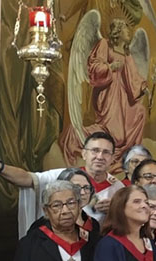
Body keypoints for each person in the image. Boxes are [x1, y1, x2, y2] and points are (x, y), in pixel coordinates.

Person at [58, 18, 148, 167]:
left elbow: (133, 75)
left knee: (140, 112)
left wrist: (143, 87)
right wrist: (110, 67)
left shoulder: (126, 51)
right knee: (115, 133)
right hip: (108, 92)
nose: (129, 33)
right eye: (126, 30)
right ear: (118, 31)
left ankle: (134, 156)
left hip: (124, 95)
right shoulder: (104, 44)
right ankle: (75, 134)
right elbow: (94, 66)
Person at [0, 131, 124, 235]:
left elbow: (127, 224)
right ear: (84, 154)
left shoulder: (118, 188)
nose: (100, 156)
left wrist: (116, 210)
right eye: (95, 150)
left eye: (106, 152)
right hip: (58, 244)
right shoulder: (63, 176)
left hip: (94, 246)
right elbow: (27, 179)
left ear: (113, 158)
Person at [28, 168, 99, 234]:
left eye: (86, 187)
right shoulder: (41, 227)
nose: (83, 192)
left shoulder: (93, 224)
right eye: (77, 187)